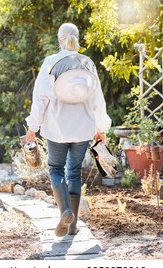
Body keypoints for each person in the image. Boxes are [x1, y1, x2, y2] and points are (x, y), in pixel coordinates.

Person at [25, 22, 111, 237]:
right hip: (83, 128)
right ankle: (72, 227)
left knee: (55, 168)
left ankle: (65, 212)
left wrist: (33, 126)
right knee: (74, 172)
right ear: (76, 38)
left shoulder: (51, 63)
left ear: (59, 40)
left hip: (57, 127)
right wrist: (101, 127)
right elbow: (97, 100)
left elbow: (40, 98)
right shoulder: (87, 63)